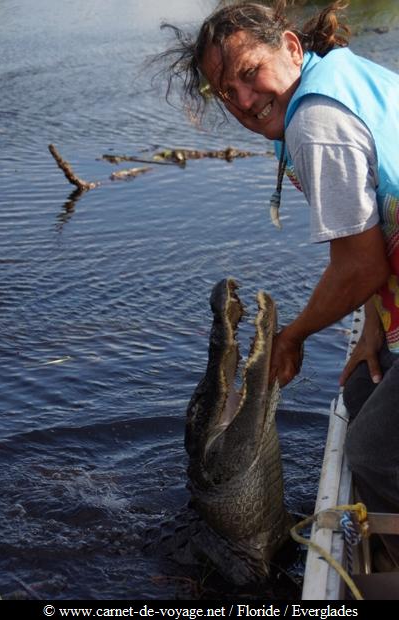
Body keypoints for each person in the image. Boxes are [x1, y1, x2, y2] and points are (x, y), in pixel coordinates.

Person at [159, 0, 399, 567]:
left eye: (249, 74)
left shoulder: (316, 121)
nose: (243, 101)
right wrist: (373, 323)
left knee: (372, 454)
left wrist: (289, 337)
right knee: (362, 392)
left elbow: (360, 265)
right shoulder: (339, 73)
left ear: (291, 48)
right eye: (226, 91)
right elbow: (376, 229)